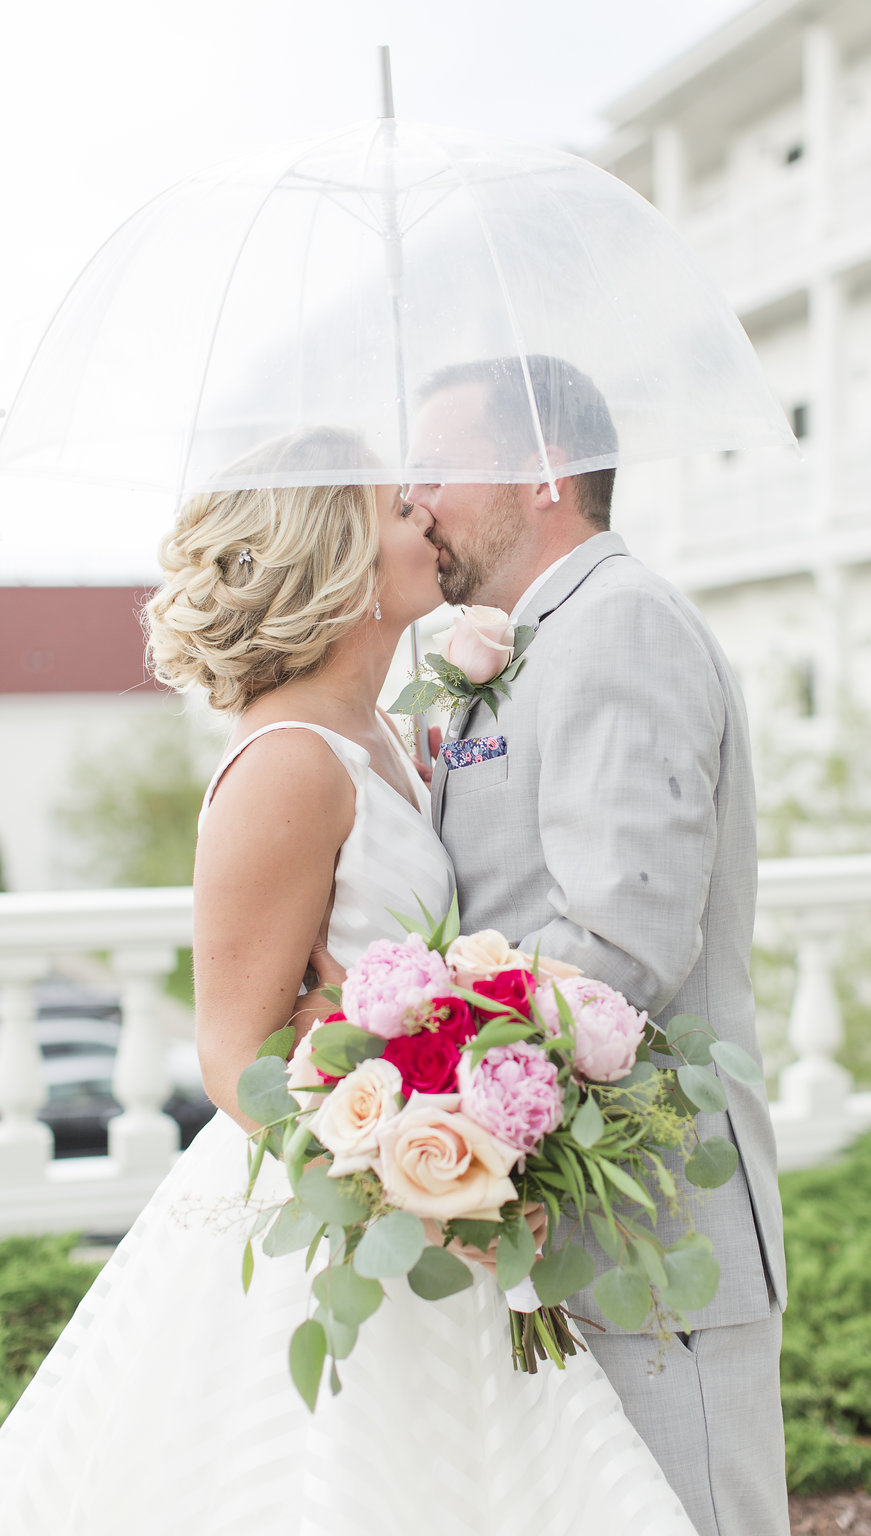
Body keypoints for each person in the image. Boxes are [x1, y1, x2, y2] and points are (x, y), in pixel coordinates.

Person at [0, 428, 697, 1536]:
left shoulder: (381, 729)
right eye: (392, 507)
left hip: (439, 1191)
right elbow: (233, 1052)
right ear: (334, 557)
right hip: (351, 1204)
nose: (422, 515)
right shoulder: (283, 764)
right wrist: (393, 1163)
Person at [405, 357, 791, 1536]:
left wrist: (422, 1079)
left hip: (651, 1231)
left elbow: (622, 941)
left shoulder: (619, 625)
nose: (413, 499)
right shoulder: (520, 642)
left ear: (542, 477)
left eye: (436, 467)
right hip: (551, 1220)